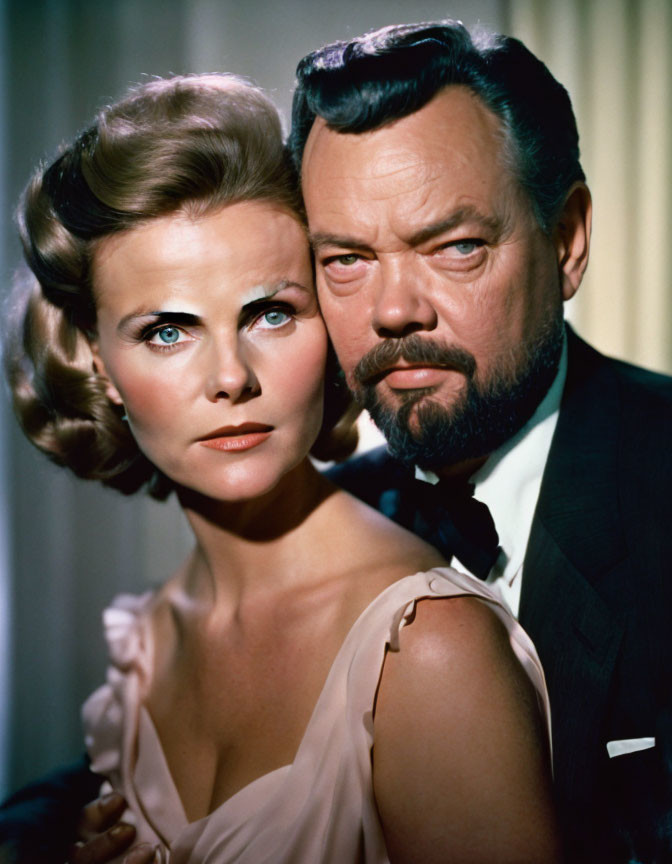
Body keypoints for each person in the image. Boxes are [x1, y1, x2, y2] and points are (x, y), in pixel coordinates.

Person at [0, 73, 559, 863]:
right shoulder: (150, 638)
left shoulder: (429, 652)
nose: (231, 377)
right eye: (168, 331)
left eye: (270, 313)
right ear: (98, 362)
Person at [288, 19, 672, 864]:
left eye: (455, 246)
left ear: (566, 241)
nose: (393, 311)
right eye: (346, 259)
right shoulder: (321, 524)